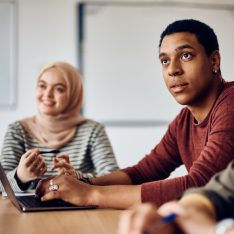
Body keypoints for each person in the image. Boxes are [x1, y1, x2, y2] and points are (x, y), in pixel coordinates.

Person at [35, 19, 234, 209]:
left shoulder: (230, 104)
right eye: (165, 61)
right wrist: (82, 182)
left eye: (185, 55)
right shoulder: (184, 121)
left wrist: (90, 194)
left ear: (214, 61)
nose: (173, 70)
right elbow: (144, 172)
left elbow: (199, 185)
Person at [0, 61, 119, 192]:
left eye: (59, 89)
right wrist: (20, 177)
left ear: (74, 95)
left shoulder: (93, 130)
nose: (48, 94)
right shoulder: (18, 130)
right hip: (26, 211)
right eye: (42, 86)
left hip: (79, 209)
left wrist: (77, 178)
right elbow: (1, 184)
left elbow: (113, 178)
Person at [118, 160, 234, 234]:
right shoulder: (182, 122)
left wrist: (215, 230)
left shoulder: (227, 122)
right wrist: (183, 212)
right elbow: (223, 189)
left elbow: (197, 181)